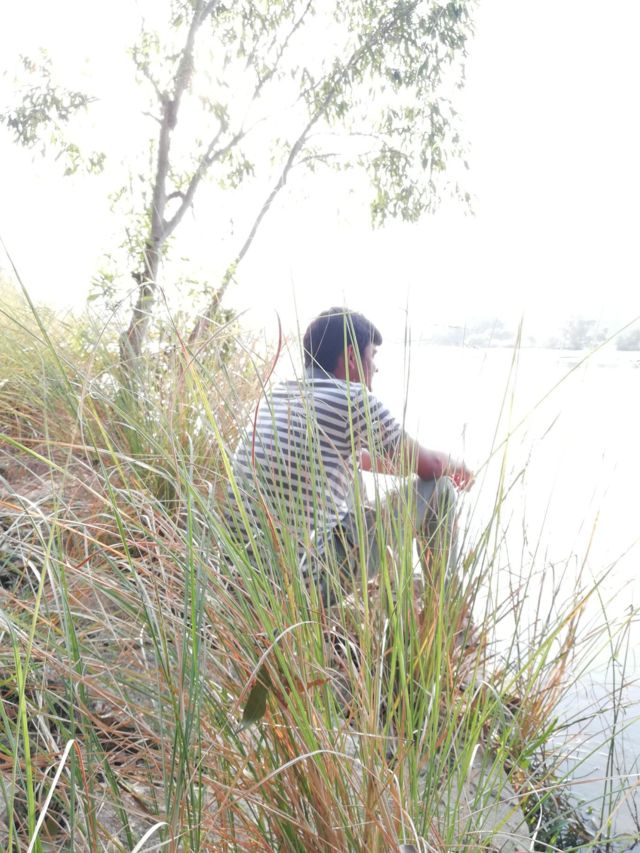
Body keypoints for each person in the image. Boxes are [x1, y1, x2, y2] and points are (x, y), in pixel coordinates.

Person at [226, 308, 473, 605]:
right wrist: (458, 466)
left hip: (247, 581)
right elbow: (431, 466)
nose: (375, 368)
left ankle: (389, 583)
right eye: (373, 356)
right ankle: (445, 606)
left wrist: (401, 467)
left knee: (351, 466)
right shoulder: (353, 399)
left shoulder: (277, 395)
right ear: (353, 358)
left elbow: (368, 459)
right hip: (306, 586)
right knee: (440, 488)